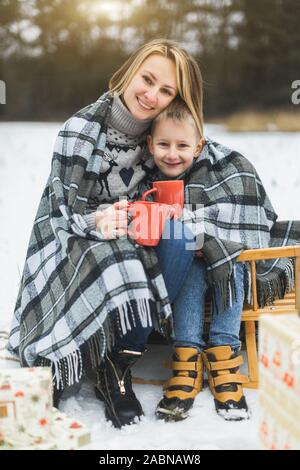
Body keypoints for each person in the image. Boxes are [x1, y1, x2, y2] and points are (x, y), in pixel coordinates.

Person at [7, 39, 205, 429]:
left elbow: (202, 153)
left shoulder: (161, 136)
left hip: (133, 235)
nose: (152, 95)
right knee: (114, 253)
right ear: (130, 71)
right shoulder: (80, 129)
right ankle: (73, 354)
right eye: (147, 80)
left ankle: (120, 359)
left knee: (182, 237)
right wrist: (98, 221)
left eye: (166, 91)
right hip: (73, 235)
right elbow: (61, 211)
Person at [146, 98, 300, 421]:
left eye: (182, 145)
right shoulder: (146, 181)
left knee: (231, 258)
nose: (172, 153)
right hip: (186, 259)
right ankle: (187, 354)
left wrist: (212, 239)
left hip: (228, 258)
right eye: (163, 144)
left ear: (198, 146)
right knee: (191, 260)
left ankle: (223, 352)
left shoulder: (222, 168)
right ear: (150, 144)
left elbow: (238, 217)